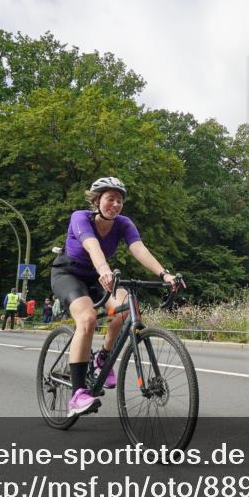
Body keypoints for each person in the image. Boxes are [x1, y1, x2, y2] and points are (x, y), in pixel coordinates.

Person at [51, 176, 178, 417]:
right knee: (87, 319)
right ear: (97, 201)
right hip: (69, 274)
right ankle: (78, 395)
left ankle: (103, 358)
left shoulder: (123, 223)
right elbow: (91, 245)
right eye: (110, 199)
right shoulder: (80, 217)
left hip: (100, 275)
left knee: (128, 310)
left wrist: (164, 274)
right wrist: (104, 270)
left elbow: (139, 248)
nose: (116, 204)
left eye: (120, 200)